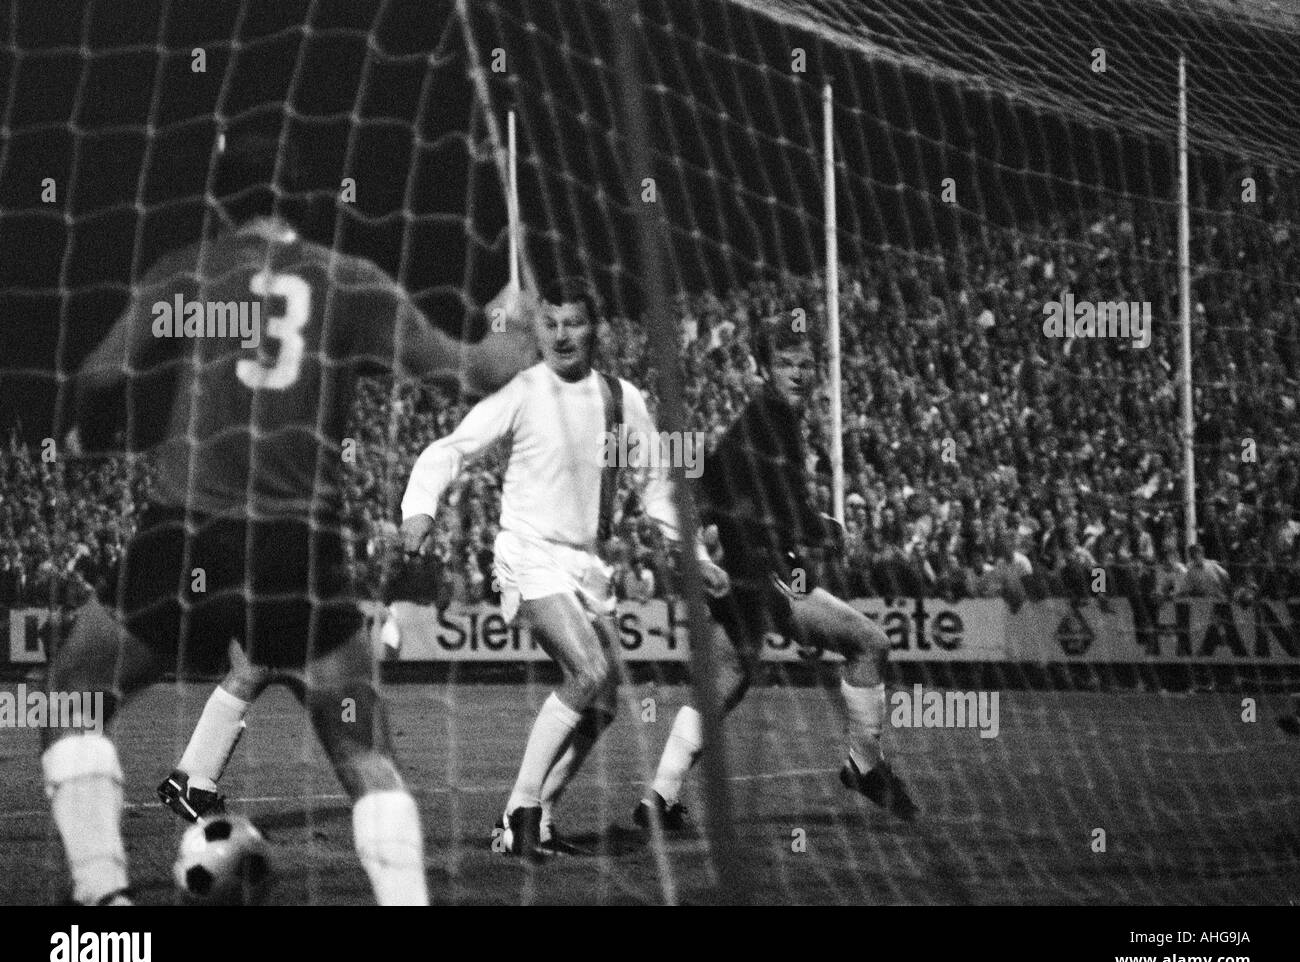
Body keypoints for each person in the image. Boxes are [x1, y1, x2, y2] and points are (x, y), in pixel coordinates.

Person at [40, 123, 534, 906]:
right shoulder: (350, 283)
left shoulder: (191, 279)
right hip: (296, 551)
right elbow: (473, 371)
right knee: (363, 751)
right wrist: (514, 321)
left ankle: (103, 902)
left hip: (186, 532)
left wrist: (86, 431)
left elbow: (101, 374)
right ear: (303, 198)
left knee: (68, 695)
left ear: (220, 198)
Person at [400, 277, 727, 861]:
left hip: (587, 566)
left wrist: (695, 557)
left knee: (601, 706)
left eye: (572, 322)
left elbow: (658, 490)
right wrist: (419, 509)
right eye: (549, 323)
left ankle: (539, 817)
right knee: (589, 669)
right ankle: (520, 812)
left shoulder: (622, 399)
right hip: (526, 551)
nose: (560, 335)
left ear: (594, 328)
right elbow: (453, 448)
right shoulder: (523, 390)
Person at [636, 312, 918, 832]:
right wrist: (818, 531)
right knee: (870, 644)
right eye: (786, 363)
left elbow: (719, 487)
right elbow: (774, 508)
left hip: (738, 571)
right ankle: (863, 766)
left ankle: (659, 797)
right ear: (764, 368)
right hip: (764, 574)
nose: (798, 372)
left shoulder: (756, 422)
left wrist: (715, 551)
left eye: (805, 364)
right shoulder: (772, 421)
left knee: (725, 684)